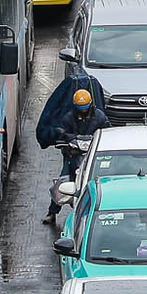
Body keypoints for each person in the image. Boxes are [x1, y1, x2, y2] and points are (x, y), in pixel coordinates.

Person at [43, 87, 109, 223]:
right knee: (63, 181)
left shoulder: (100, 116)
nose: (83, 110)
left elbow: (107, 130)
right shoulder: (68, 118)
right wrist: (69, 140)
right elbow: (61, 131)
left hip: (93, 155)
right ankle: (52, 212)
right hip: (73, 156)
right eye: (80, 108)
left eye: (85, 107)